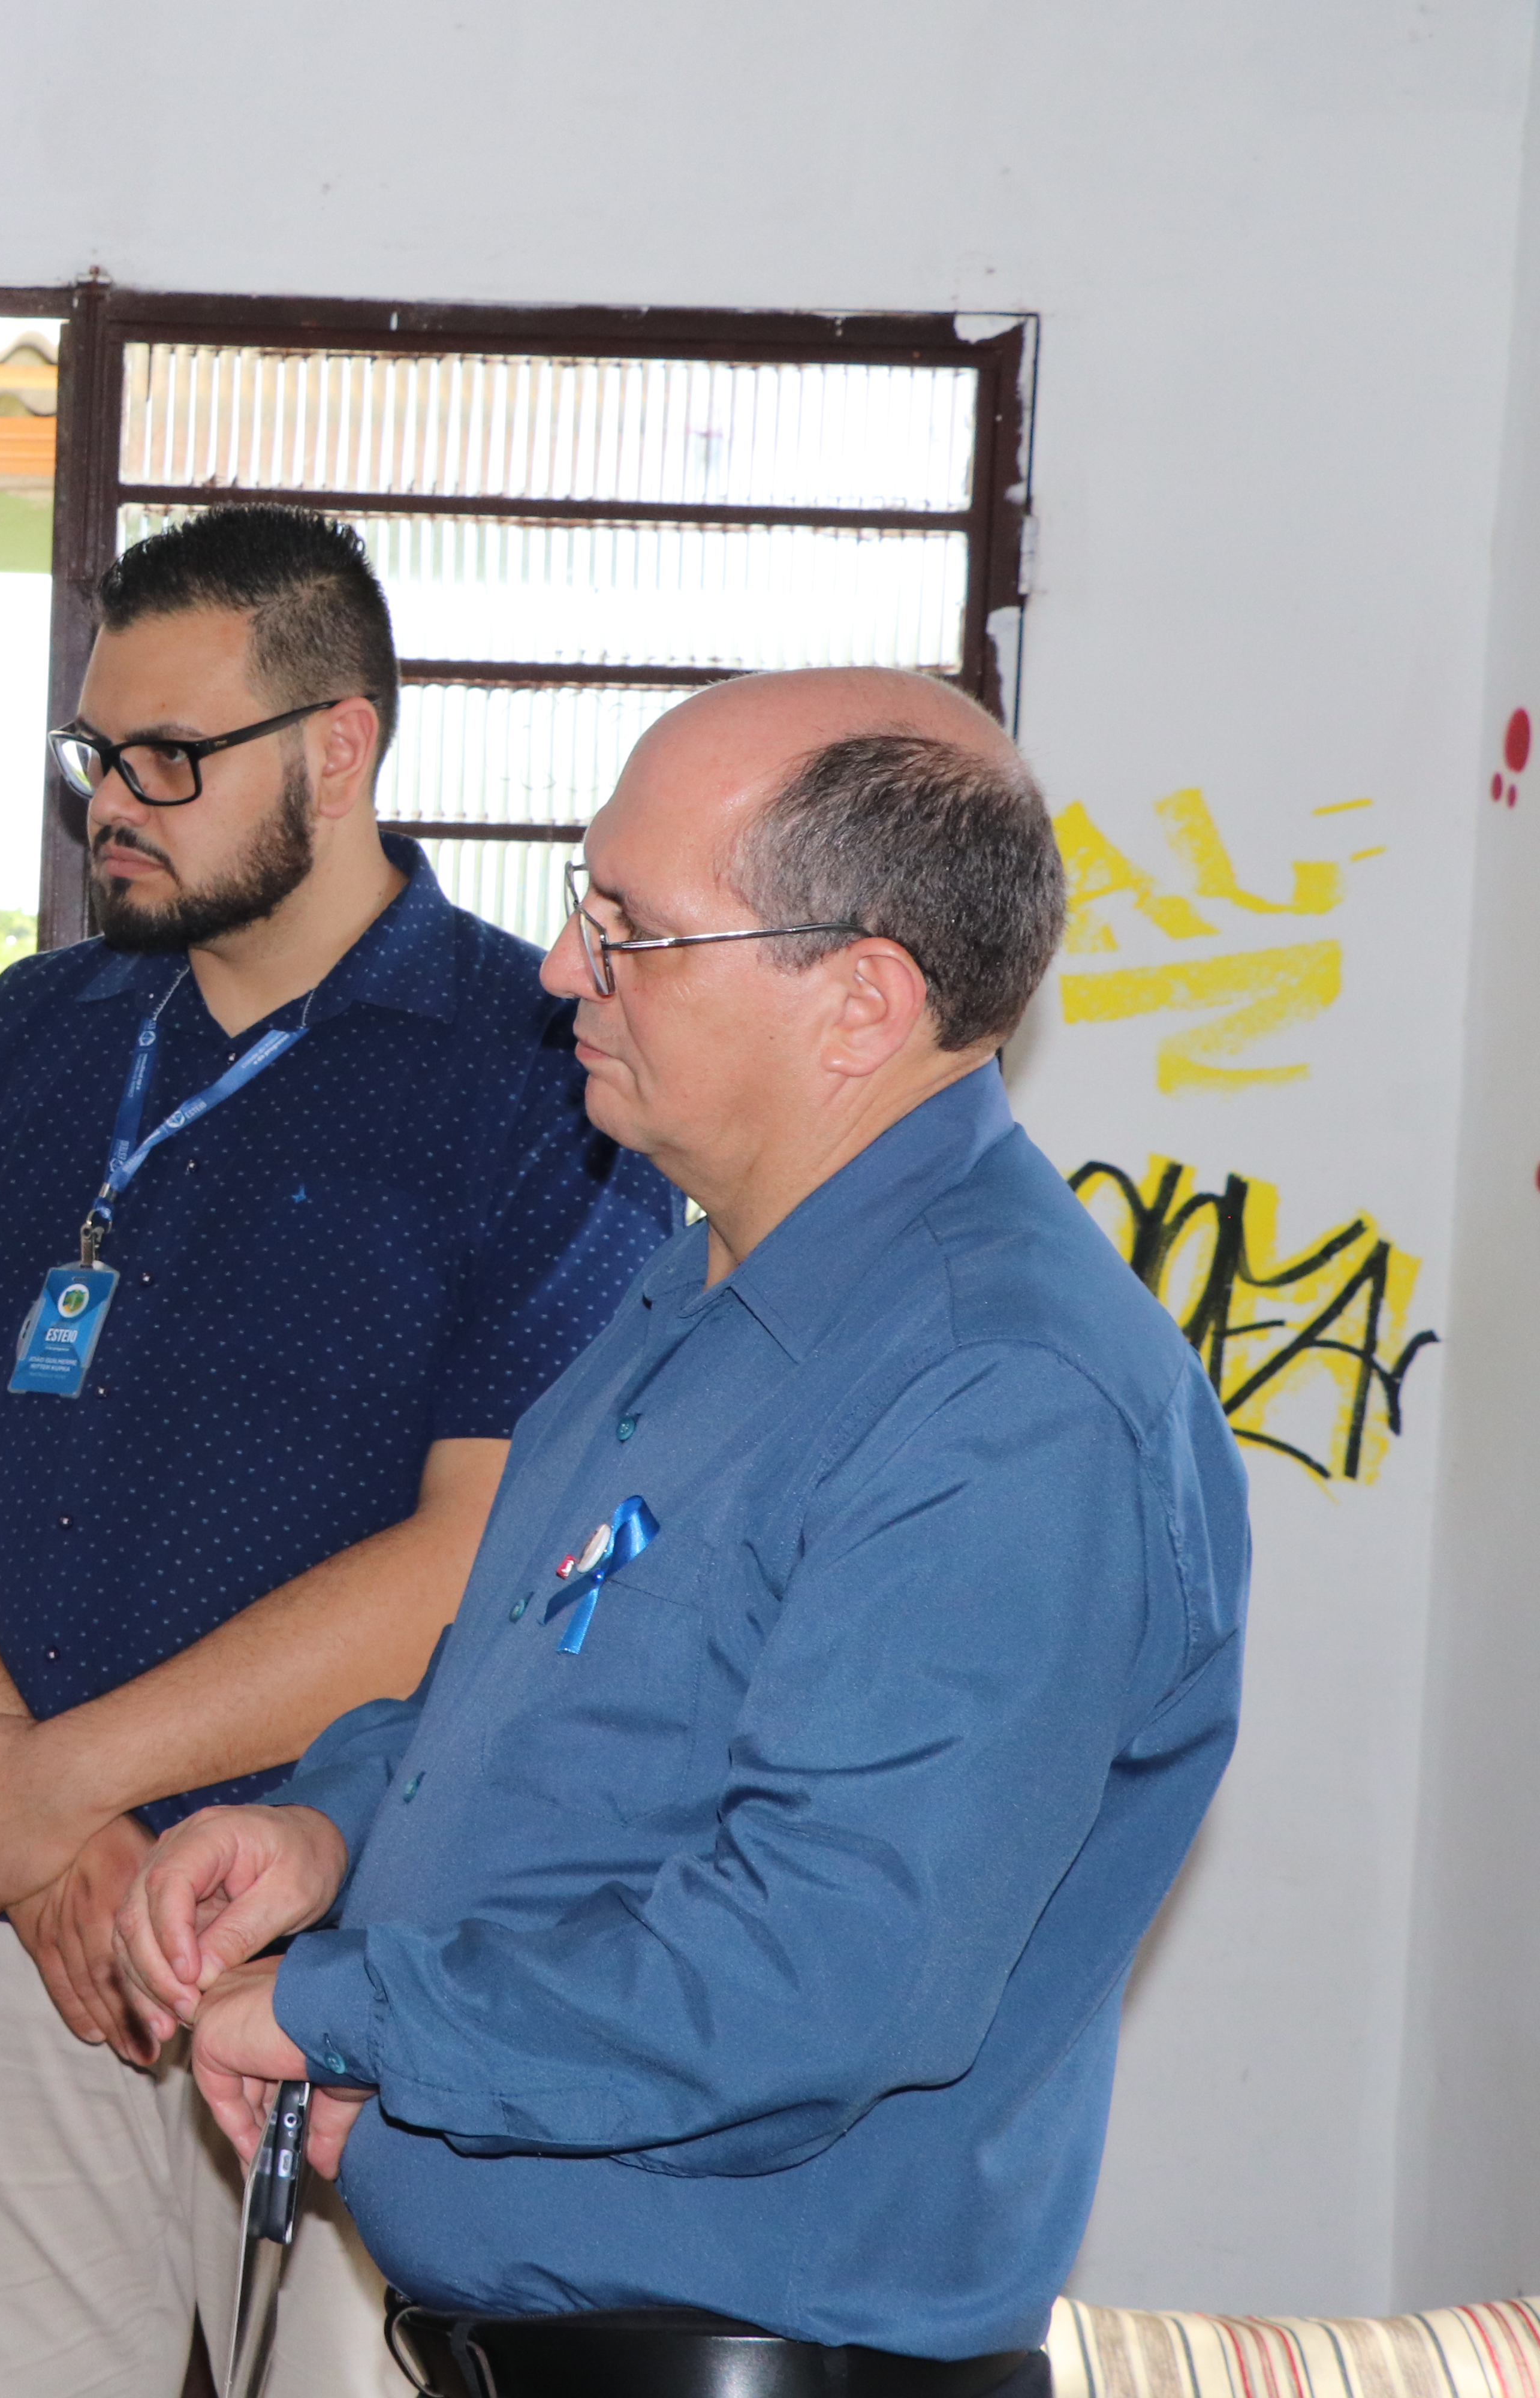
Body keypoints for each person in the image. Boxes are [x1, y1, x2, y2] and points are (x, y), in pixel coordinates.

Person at [120, 670, 1250, 2398]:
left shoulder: (1001, 1397)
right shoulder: (707, 1282)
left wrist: (351, 2013)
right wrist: (331, 1832)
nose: (565, 969)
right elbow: (555, 1699)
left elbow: (813, 1975)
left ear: (859, 1000)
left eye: (632, 930)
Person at [0, 507, 676, 2397]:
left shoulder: (541, 1079)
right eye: (93, 758)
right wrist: (42, 1844)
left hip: (356, 1942)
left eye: (170, 761)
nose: (113, 803)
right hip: (16, 1939)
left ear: (341, 749)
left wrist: (73, 1787)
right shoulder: (27, 1038)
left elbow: (482, 1552)